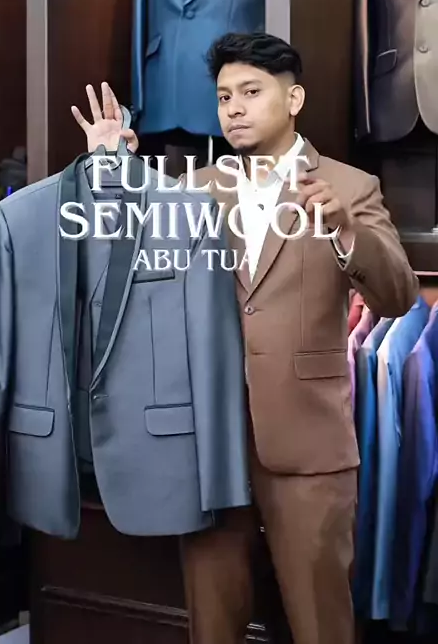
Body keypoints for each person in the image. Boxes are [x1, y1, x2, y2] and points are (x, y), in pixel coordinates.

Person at [71, 32, 418, 644]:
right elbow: (121, 272)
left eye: (251, 92)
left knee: (321, 623)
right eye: (224, 96)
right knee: (213, 623)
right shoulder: (191, 189)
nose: (233, 108)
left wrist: (344, 231)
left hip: (308, 447)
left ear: (294, 99)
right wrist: (111, 170)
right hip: (211, 444)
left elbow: (398, 297)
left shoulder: (349, 186)